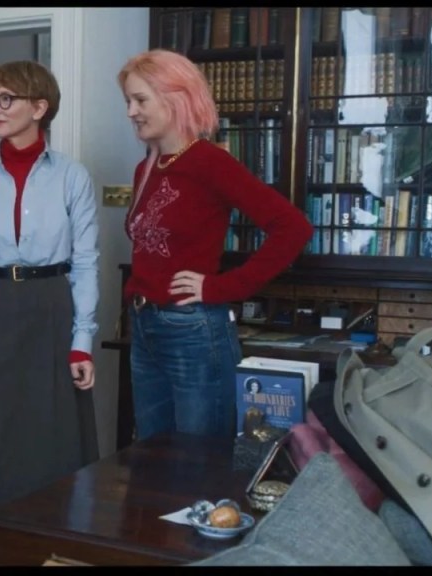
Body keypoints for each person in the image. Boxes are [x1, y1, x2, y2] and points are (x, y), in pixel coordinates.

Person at [117, 49, 313, 441]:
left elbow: (293, 228)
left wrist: (223, 287)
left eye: (140, 100)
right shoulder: (147, 168)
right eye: (128, 101)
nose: (131, 112)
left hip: (192, 329)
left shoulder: (210, 162)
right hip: (144, 324)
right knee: (152, 455)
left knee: (199, 459)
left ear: (175, 98)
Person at [0, 60, 100, 529]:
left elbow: (86, 263)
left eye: (6, 98)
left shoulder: (72, 177)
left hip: (51, 305)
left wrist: (81, 342)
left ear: (40, 107)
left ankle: (54, 530)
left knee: (52, 428)